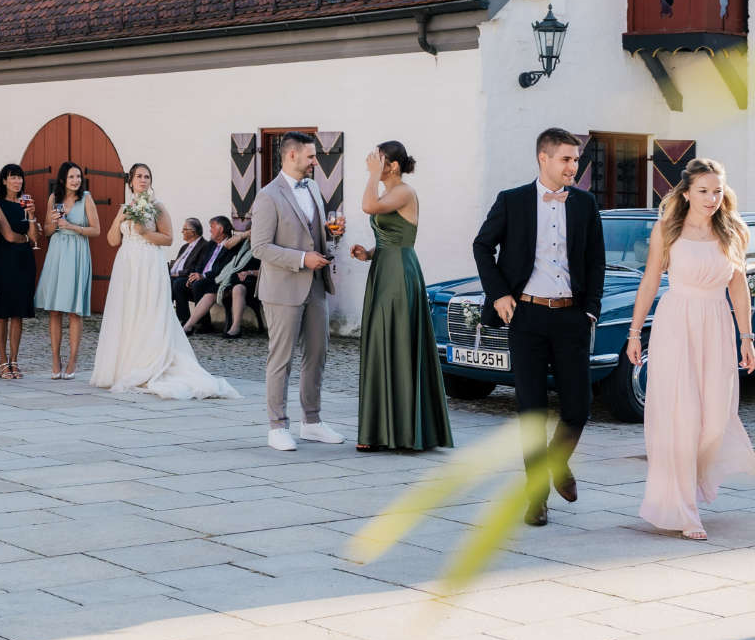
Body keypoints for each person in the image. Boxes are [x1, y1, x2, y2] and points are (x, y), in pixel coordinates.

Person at [473, 128, 606, 526]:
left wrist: (591, 310)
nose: (573, 166)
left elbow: (596, 260)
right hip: (526, 318)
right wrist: (498, 293)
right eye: (566, 159)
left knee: (578, 409)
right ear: (543, 159)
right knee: (531, 412)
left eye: (576, 159)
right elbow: (482, 245)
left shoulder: (585, 204)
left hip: (571, 316)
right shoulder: (512, 201)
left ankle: (557, 462)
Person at [625, 159, 755, 539]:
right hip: (676, 323)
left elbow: (738, 287)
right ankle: (683, 509)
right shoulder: (667, 229)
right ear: (685, 193)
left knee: (715, 418)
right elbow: (650, 281)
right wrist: (635, 332)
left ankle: (696, 477)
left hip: (716, 323)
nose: (711, 198)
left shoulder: (732, 231)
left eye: (717, 191)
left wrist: (746, 339)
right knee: (681, 417)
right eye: (703, 191)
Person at [93, 164, 237, 401]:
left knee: (149, 310)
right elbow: (111, 239)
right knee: (128, 310)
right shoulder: (125, 208)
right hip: (127, 262)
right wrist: (122, 216)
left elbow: (168, 238)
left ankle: (150, 360)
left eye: (147, 176)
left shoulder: (157, 206)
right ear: (130, 181)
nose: (143, 180)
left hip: (149, 261)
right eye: (138, 176)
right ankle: (125, 364)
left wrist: (143, 232)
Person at [350, 142, 455, 454]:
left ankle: (407, 431)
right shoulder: (388, 194)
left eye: (379, 159)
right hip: (383, 268)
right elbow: (388, 234)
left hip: (399, 275)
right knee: (381, 343)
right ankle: (379, 429)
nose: (373, 163)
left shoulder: (404, 192)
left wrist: (371, 176)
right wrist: (368, 253)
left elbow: (369, 207)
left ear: (393, 165)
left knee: (398, 341)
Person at [252, 131, 342, 451]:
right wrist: (303, 259)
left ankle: (312, 422)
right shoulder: (267, 195)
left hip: (316, 286)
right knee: (282, 358)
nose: (315, 162)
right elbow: (260, 247)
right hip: (282, 288)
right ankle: (276, 426)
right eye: (310, 156)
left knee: (317, 354)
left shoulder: (314, 187)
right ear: (291, 156)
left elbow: (316, 235)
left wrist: (331, 238)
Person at [34, 161, 99, 379]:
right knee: (54, 309)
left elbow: (96, 230)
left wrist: (72, 227)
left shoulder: (86, 198)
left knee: (73, 309)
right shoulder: (54, 198)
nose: (76, 180)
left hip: (77, 251)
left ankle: (72, 360)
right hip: (57, 252)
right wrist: (53, 223)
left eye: (78, 176)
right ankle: (55, 359)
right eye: (72, 177)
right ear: (63, 179)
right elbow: (47, 231)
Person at [0, 163, 37, 378]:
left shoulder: (26, 204)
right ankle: (2, 361)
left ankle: (15, 361)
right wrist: (25, 239)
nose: (17, 181)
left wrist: (31, 216)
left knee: (18, 312)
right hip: (4, 262)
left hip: (25, 262)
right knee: (2, 313)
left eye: (20, 177)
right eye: (13, 177)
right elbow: (8, 236)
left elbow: (35, 239)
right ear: (4, 181)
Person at [179, 216, 239, 334]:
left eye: (212, 227)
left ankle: (203, 324)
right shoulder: (211, 244)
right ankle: (183, 320)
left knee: (198, 284)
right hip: (204, 277)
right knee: (179, 284)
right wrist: (195, 274)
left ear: (220, 229)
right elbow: (202, 263)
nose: (210, 230)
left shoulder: (230, 245)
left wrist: (203, 276)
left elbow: (222, 268)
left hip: (217, 279)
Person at [168, 218, 218, 324]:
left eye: (184, 229)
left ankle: (183, 319)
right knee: (162, 282)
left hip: (191, 278)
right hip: (177, 276)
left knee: (177, 283)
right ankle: (167, 318)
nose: (182, 231)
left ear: (193, 232)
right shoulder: (184, 247)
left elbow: (198, 267)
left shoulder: (204, 246)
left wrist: (178, 274)